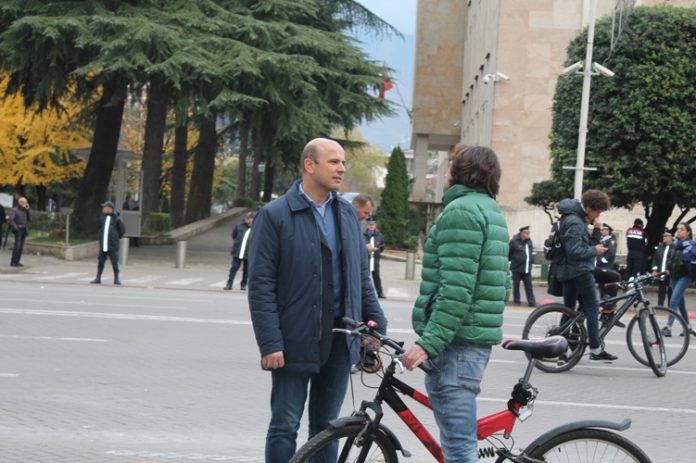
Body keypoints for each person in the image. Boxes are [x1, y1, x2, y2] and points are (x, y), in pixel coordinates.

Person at [247, 137, 387, 463]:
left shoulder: (347, 215)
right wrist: (270, 343)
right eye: (334, 162)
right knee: (285, 425)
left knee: (328, 428)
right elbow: (261, 286)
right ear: (310, 165)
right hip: (294, 338)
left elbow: (359, 277)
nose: (342, 168)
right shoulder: (275, 215)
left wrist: (376, 325)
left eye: (343, 162)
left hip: (341, 338)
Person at [402, 145, 510, 463]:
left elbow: (456, 290)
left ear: (461, 173)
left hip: (457, 347)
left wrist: (428, 343)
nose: (446, 173)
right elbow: (500, 283)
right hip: (469, 342)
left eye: (450, 167)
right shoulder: (491, 209)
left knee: (460, 448)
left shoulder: (461, 212)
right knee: (458, 443)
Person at [555, 190, 617, 361]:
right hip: (579, 270)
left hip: (570, 271)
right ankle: (596, 349)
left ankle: (561, 350)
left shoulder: (575, 218)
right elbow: (575, 251)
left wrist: (596, 230)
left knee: (568, 311)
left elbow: (585, 243)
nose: (598, 215)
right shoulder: (576, 222)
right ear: (589, 207)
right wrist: (594, 251)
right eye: (597, 211)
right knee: (592, 308)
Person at [660, 223, 696, 337]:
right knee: (680, 302)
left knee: (674, 300)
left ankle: (668, 327)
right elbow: (670, 258)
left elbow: (692, 260)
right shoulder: (675, 244)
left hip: (685, 276)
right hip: (673, 275)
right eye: (678, 229)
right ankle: (688, 327)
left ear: (688, 232)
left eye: (682, 229)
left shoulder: (691, 245)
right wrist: (668, 268)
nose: (678, 231)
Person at [90, 201, 125, 285]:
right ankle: (98, 278)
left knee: (115, 262)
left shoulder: (117, 218)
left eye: (104, 207)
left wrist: (115, 238)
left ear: (109, 209)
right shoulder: (102, 217)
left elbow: (122, 231)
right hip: (103, 244)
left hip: (112, 245)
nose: (103, 208)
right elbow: (100, 227)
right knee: (101, 261)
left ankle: (116, 279)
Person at [223, 212, 254, 290]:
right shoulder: (239, 225)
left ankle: (243, 285)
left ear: (253, 219)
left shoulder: (256, 227)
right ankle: (229, 284)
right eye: (247, 218)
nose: (247, 219)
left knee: (246, 270)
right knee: (233, 268)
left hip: (249, 253)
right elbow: (234, 235)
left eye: (250, 218)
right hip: (238, 252)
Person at [509, 225, 536, 307]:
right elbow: (509, 253)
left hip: (527, 268)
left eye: (528, 232)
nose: (528, 234)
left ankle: (531, 302)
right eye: (526, 232)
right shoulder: (514, 241)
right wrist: (513, 261)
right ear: (521, 233)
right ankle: (517, 301)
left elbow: (530, 253)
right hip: (517, 268)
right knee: (516, 286)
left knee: (529, 286)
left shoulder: (529, 241)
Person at [364, 217, 386, 299]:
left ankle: (380, 293)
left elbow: (382, 246)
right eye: (370, 225)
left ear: (375, 225)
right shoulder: (363, 235)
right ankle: (366, 293)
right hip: (366, 258)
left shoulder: (379, 235)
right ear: (367, 226)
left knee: (377, 276)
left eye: (373, 225)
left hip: (375, 259)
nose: (371, 226)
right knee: (366, 276)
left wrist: (378, 250)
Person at [652, 230, 675, 307]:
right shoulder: (660, 247)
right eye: (663, 236)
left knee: (671, 290)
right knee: (661, 290)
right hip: (661, 272)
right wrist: (654, 270)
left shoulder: (674, 247)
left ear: (670, 237)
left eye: (666, 236)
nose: (663, 238)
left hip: (670, 273)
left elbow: (676, 260)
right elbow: (655, 259)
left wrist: (671, 269)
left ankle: (671, 307)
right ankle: (660, 305)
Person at [9, 197, 30, 267]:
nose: (26, 204)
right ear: (20, 203)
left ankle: (17, 261)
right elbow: (11, 220)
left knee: (21, 247)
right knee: (17, 246)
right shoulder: (15, 210)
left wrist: (28, 210)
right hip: (18, 229)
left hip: (24, 229)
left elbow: (30, 218)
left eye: (26, 202)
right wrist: (16, 227)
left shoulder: (25, 210)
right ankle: (13, 261)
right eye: (25, 203)